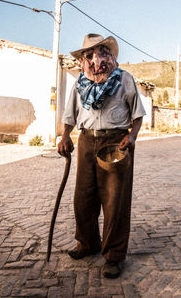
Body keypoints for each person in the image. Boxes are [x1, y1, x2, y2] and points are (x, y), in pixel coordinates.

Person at [58, 33, 146, 278]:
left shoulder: (125, 80)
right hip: (87, 140)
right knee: (83, 197)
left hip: (116, 142)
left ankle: (114, 256)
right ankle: (87, 244)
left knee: (115, 202)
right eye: (90, 55)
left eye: (103, 53)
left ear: (112, 56)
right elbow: (70, 115)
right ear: (84, 60)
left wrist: (133, 136)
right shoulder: (80, 83)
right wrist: (65, 136)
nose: (97, 60)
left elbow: (138, 115)